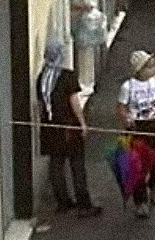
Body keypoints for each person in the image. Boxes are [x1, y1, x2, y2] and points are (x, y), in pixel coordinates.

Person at [36, 41, 101, 218]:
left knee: (56, 164)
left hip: (49, 126)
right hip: (68, 126)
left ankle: (63, 202)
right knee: (76, 163)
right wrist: (82, 123)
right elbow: (74, 102)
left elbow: (42, 104)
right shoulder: (67, 77)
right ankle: (84, 205)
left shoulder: (42, 78)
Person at [116, 50, 155, 217]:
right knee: (138, 165)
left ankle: (153, 186)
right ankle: (140, 202)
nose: (153, 68)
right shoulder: (128, 87)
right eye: (149, 66)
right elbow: (121, 107)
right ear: (140, 69)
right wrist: (126, 118)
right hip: (137, 127)